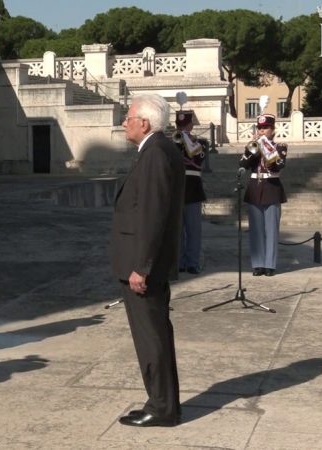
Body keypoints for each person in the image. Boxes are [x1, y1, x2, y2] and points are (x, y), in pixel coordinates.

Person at [110, 93, 184, 427]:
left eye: (128, 117)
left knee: (151, 337)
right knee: (155, 335)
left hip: (142, 267)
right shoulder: (158, 150)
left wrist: (142, 266)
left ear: (144, 122)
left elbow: (153, 215)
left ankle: (162, 407)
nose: (124, 122)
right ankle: (162, 401)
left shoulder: (155, 153)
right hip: (145, 261)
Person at [240, 113, 287, 277]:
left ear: (273, 130)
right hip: (255, 188)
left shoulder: (280, 147)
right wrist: (253, 146)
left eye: (265, 128)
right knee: (256, 230)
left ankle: (270, 265)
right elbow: (244, 163)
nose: (261, 131)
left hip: (272, 188)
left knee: (271, 229)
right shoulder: (253, 146)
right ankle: (258, 264)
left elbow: (277, 166)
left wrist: (265, 146)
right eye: (259, 128)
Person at [173, 111, 207, 274]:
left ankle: (192, 262)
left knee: (193, 230)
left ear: (191, 126)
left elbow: (198, 157)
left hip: (193, 189)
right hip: (177, 189)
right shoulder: (173, 142)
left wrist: (187, 140)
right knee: (178, 230)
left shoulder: (200, 143)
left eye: (184, 126)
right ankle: (179, 262)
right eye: (179, 126)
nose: (182, 129)